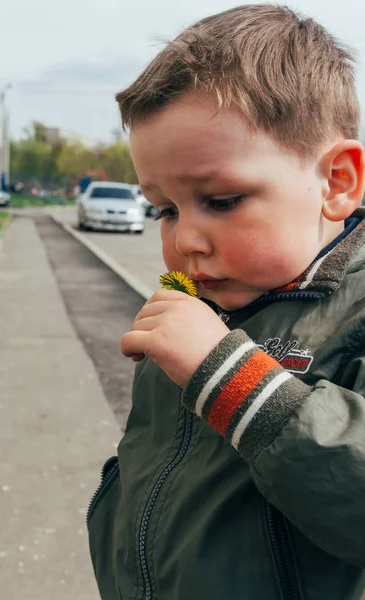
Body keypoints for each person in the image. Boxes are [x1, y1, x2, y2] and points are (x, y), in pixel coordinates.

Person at [87, 5, 365, 599]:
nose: (184, 239)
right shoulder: (196, 303)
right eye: (164, 209)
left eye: (221, 199)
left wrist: (229, 376)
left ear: (336, 181)